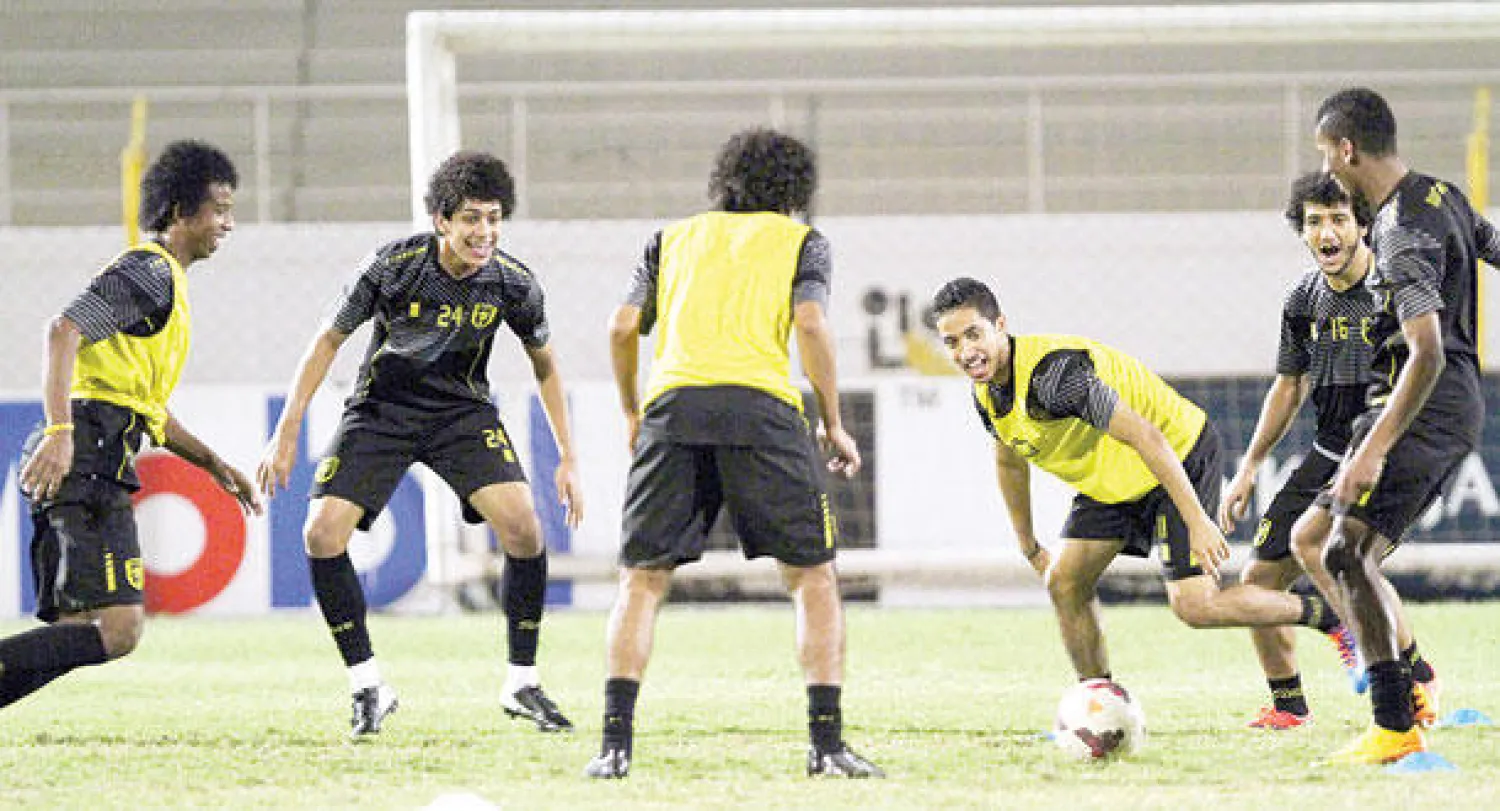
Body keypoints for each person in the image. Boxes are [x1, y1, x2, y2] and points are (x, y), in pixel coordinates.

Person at [585, 128, 882, 780]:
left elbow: (621, 325)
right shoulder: (804, 243)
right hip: (762, 412)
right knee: (812, 578)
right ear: (797, 190)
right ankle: (826, 745)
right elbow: (810, 323)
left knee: (641, 579)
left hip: (673, 410)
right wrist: (832, 420)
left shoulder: (671, 239)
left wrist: (633, 411)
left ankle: (614, 746)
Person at [256, 150, 582, 738]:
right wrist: (286, 431)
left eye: (493, 218)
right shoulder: (392, 267)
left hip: (461, 414)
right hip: (382, 411)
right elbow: (325, 343)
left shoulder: (513, 282)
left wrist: (569, 458)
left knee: (525, 528)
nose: (484, 232)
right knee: (320, 533)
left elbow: (546, 367)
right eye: (471, 220)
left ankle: (522, 681)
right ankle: (368, 686)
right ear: (441, 221)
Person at [931, 278, 1349, 692]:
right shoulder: (986, 392)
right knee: (1063, 582)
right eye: (952, 342)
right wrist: (1028, 545)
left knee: (1195, 605)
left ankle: (1332, 615)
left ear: (1000, 325)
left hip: (1178, 453)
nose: (966, 352)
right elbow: (1009, 459)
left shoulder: (1056, 377)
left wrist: (1198, 521)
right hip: (1114, 481)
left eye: (974, 334)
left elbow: (1147, 436)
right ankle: (1097, 704)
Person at [7, 140, 258, 709]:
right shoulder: (149, 271)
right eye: (218, 209)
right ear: (178, 212)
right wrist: (59, 431)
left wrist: (215, 464)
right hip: (88, 453)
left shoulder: (167, 284)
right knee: (118, 629)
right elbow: (62, 330)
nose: (228, 223)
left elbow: (151, 411)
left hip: (99, 450)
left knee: (75, 631)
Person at [1297, 87, 1500, 764]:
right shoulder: (1442, 194)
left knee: (1343, 553)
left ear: (1347, 150)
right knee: (1333, 546)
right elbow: (1492, 248)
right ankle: (1408, 695)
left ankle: (1396, 721)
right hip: (1443, 402)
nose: (1327, 168)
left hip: (1426, 403)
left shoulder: (1397, 229)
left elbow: (1427, 349)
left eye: (1327, 155)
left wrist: (1371, 451)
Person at [1218, 172, 1440, 730]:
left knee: (1333, 552)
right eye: (1315, 221)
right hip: (1327, 447)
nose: (1326, 231)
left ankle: (1411, 676)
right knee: (1257, 583)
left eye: (1339, 219)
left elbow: (1432, 362)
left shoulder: (1394, 290)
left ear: (1363, 226)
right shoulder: (1303, 299)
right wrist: (1248, 467)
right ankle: (1288, 705)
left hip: (1383, 446)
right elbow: (1288, 387)